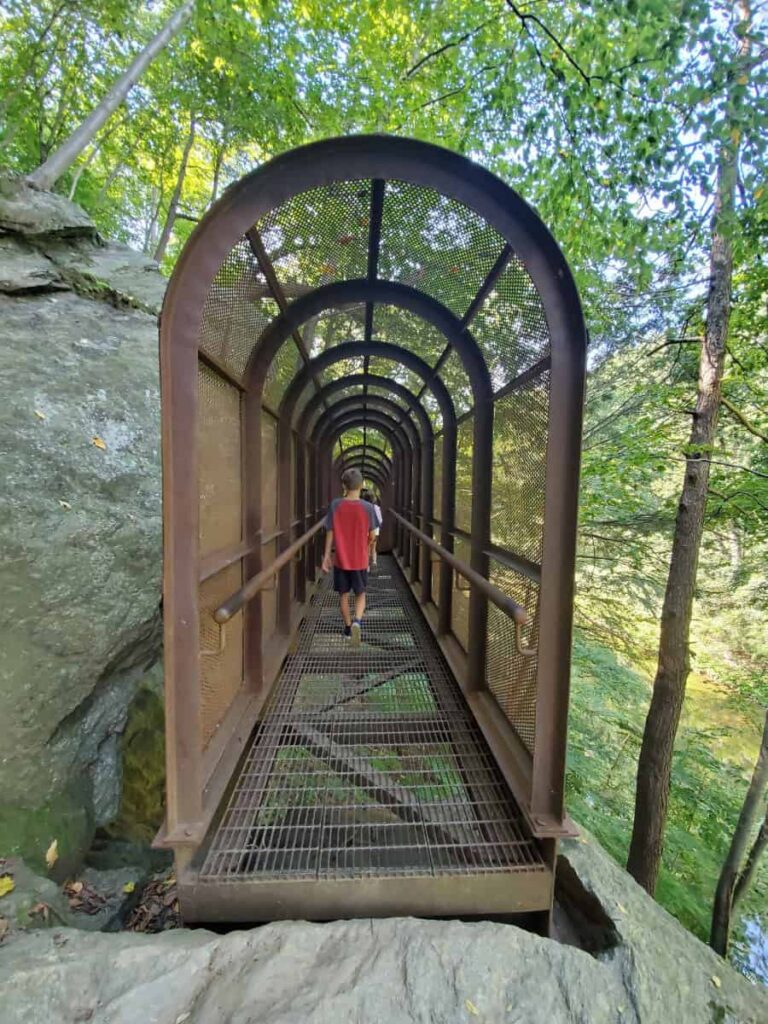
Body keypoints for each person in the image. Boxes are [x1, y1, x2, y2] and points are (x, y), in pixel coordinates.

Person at [322, 468, 379, 645]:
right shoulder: (368, 508)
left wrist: (326, 556)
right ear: (361, 485)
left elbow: (330, 531)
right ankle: (357, 622)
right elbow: (372, 535)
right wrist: (368, 547)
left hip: (341, 560)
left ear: (343, 486)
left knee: (343, 596)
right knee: (361, 594)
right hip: (360, 560)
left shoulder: (335, 505)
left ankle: (347, 628)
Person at [361, 488, 383, 569]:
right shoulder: (377, 507)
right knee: (374, 547)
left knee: (366, 548)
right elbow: (380, 520)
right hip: (375, 529)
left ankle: (366, 566)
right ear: (374, 499)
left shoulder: (363, 507)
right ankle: (374, 561)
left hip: (365, 529)